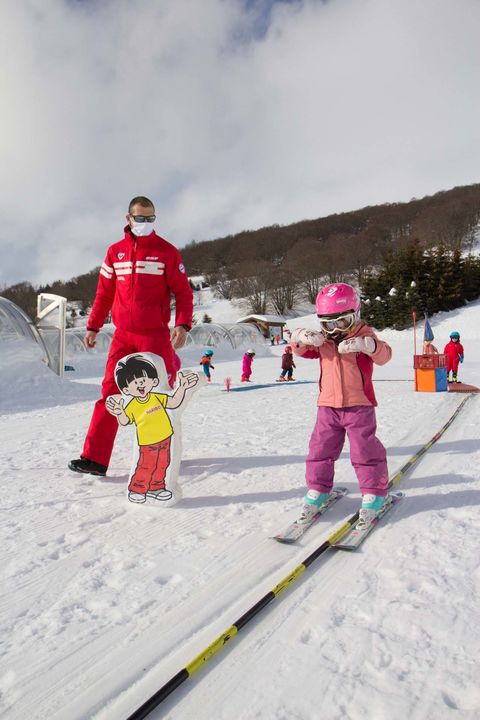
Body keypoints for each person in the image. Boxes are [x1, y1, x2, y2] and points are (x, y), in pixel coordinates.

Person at [69, 196, 193, 477]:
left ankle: (164, 454)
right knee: (109, 392)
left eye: (151, 219)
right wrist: (93, 326)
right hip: (123, 336)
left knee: (158, 394)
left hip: (154, 335)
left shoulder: (167, 252)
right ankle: (95, 459)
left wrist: (182, 325)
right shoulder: (115, 252)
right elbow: (104, 293)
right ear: (128, 219)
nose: (145, 224)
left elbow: (183, 292)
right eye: (140, 218)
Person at [290, 282, 392, 528]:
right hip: (327, 407)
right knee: (320, 450)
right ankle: (318, 490)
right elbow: (300, 351)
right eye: (328, 324)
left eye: (342, 323)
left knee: (364, 450)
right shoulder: (323, 341)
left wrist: (369, 346)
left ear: (354, 315)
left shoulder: (365, 335)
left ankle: (374, 493)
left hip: (359, 406)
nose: (334, 330)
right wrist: (300, 338)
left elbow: (385, 356)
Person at [106, 355, 198, 503]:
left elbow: (174, 403)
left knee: (163, 465)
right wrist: (119, 412)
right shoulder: (133, 405)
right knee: (146, 466)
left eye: (142, 381)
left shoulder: (157, 396)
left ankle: (157, 488)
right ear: (126, 390)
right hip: (147, 442)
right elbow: (125, 421)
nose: (140, 385)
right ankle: (137, 489)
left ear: (154, 381)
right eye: (134, 383)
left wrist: (182, 388)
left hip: (166, 438)